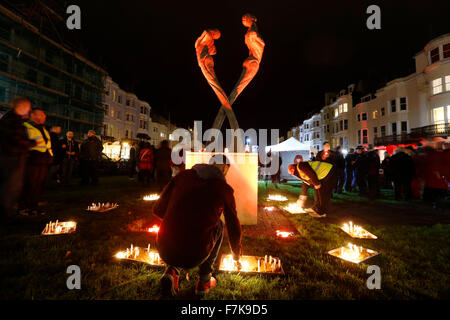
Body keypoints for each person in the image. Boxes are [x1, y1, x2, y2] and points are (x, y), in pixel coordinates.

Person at [153, 154, 241, 296]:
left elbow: (158, 210)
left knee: (180, 222)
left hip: (164, 248)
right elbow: (233, 227)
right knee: (219, 225)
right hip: (196, 253)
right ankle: (204, 280)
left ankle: (171, 270)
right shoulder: (223, 189)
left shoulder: (182, 176)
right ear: (224, 168)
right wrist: (236, 255)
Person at [0, 97, 35, 221]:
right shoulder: (12, 120)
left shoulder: (14, 119)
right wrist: (30, 143)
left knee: (12, 184)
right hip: (11, 157)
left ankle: (8, 210)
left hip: (13, 156)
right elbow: (15, 138)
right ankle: (7, 213)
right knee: (11, 185)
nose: (30, 110)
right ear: (22, 107)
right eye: (29, 107)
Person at [20, 108, 53, 215]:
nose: (45, 117)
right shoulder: (25, 127)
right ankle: (24, 207)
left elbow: (46, 143)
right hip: (32, 158)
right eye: (42, 115)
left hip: (43, 159)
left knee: (39, 184)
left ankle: (34, 206)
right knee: (30, 184)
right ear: (33, 115)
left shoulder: (42, 128)